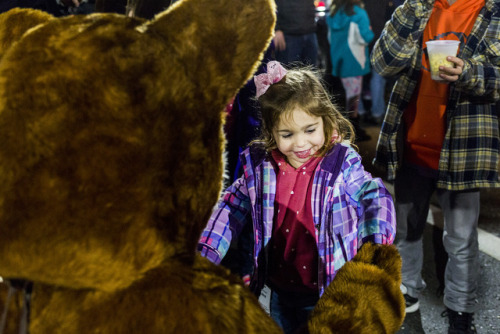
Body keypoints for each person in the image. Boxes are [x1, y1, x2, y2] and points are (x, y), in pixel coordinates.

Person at [198, 61, 396, 334]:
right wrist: (204, 254)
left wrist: (376, 243)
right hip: (278, 289)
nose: (301, 144)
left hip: (328, 290)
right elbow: (230, 207)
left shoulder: (341, 164)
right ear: (271, 133)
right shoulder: (261, 168)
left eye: (310, 130)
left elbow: (374, 194)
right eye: (287, 134)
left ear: (326, 121)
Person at [370, 0, 500, 333]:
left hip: (462, 149)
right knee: (406, 232)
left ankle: (460, 312)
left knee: (460, 240)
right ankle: (406, 295)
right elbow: (382, 62)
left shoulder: (493, 13)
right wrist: (413, 7)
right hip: (412, 142)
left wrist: (468, 73)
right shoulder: (418, 8)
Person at [326, 0, 374, 141]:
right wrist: (370, 31)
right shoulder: (358, 13)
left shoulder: (334, 13)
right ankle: (353, 131)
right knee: (353, 98)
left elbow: (329, 39)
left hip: (338, 60)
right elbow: (366, 37)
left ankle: (344, 129)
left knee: (343, 97)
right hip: (354, 61)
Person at [273, 0, 319, 66]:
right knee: (290, 71)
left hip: (310, 31)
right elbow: (270, 6)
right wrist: (276, 29)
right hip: (288, 34)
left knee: (311, 71)